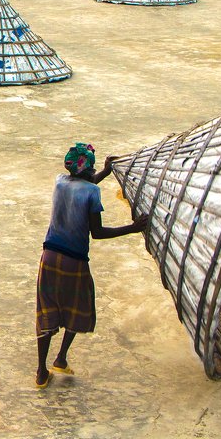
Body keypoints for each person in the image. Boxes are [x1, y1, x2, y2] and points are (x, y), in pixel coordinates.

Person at [35, 143, 146, 389]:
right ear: (87, 169)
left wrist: (105, 172)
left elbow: (84, 184)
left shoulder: (60, 182)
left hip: (50, 256)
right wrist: (133, 228)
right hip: (74, 259)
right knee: (77, 306)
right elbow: (97, 232)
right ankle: (61, 356)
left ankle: (42, 371)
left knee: (47, 310)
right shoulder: (92, 193)